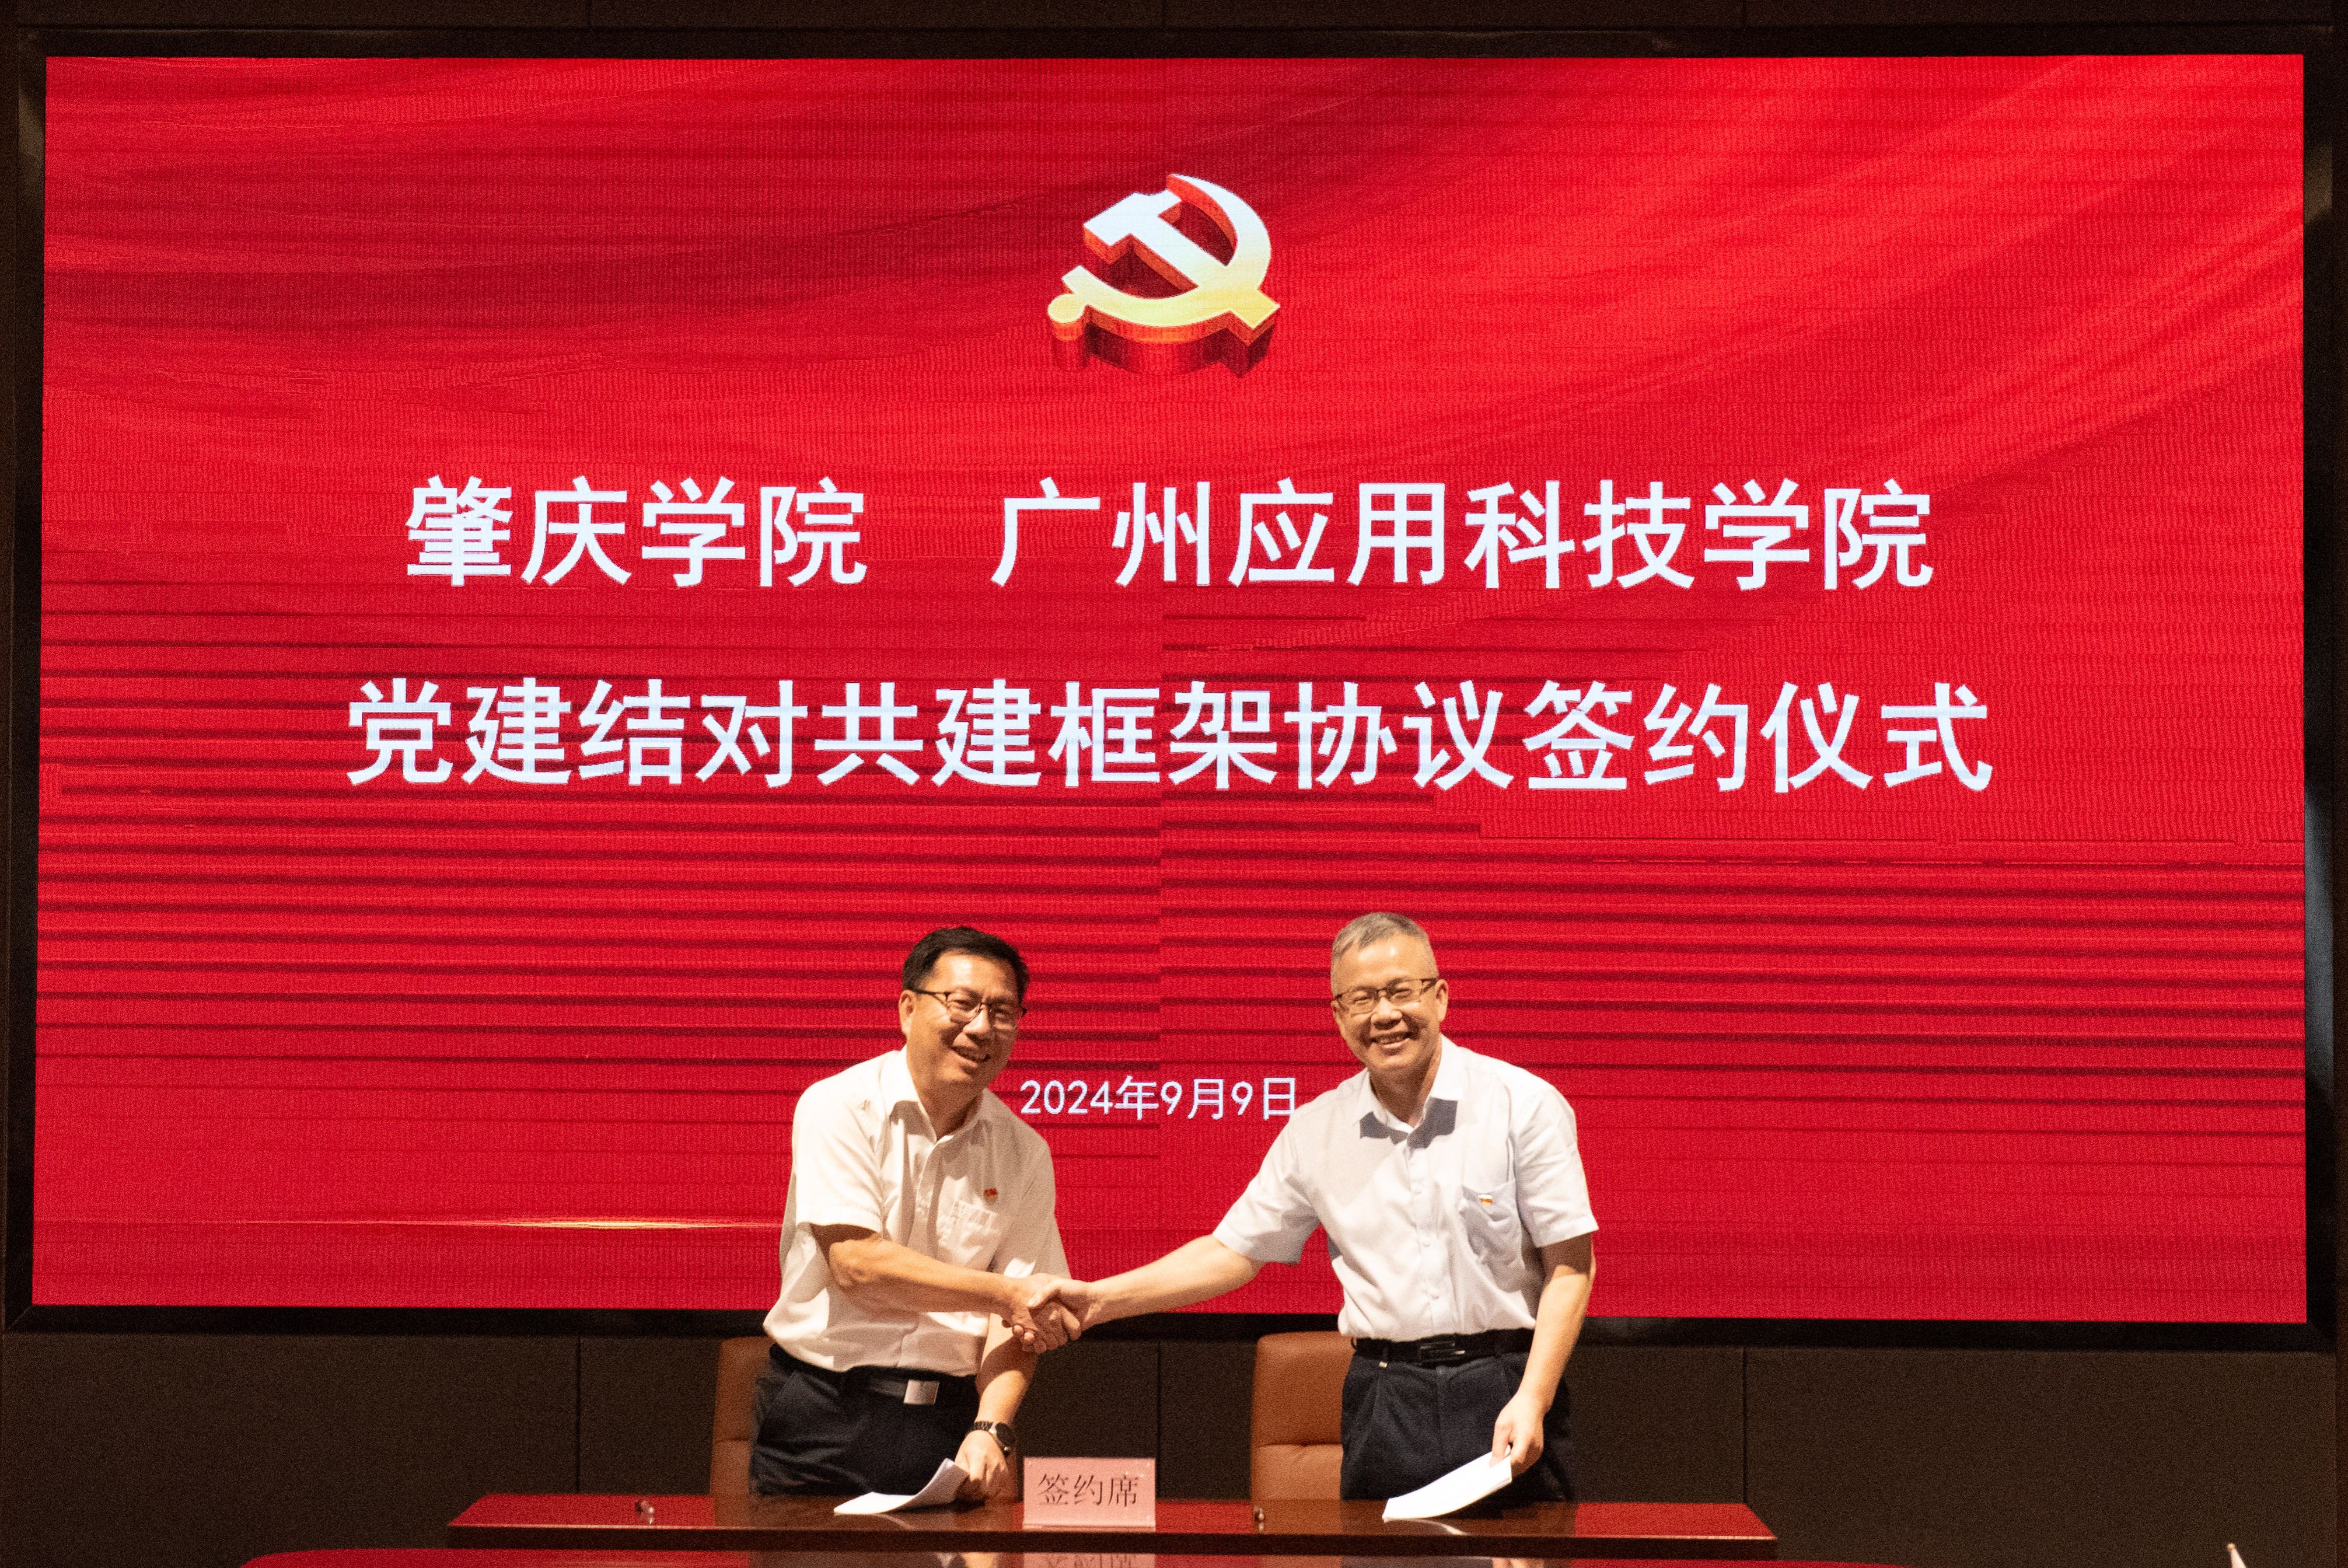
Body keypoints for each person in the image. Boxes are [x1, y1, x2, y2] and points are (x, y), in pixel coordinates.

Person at [1054, 913, 1596, 1502]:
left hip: (1508, 1381)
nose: (1383, 1015)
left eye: (1401, 991)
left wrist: (1533, 1395)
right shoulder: (1316, 1129)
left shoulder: (1523, 1104)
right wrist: (1100, 1299)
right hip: (1384, 1395)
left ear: (1439, 997)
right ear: (1338, 1016)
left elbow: (1571, 1265)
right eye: (1361, 999)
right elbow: (1232, 1251)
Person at [752, 925, 1079, 1499]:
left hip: (949, 1423)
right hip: (826, 1414)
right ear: (908, 1008)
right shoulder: (839, 1105)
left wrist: (991, 1425)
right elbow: (858, 1265)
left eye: (1003, 1012)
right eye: (962, 1003)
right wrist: (1005, 1293)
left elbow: (1019, 1322)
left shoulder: (1024, 1151)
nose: (982, 1027)